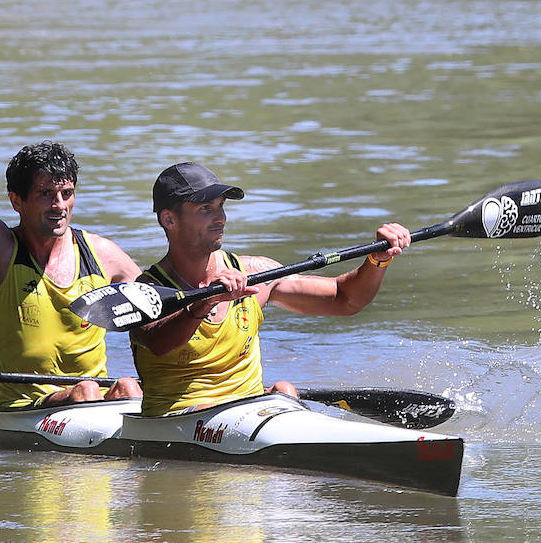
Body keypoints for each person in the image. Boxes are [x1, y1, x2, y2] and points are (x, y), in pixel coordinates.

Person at [0, 15, 143, 409]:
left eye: (66, 193)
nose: (59, 206)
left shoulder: (102, 255)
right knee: (85, 390)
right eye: (46, 194)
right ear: (17, 200)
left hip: (99, 407)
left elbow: (159, 312)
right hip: (26, 412)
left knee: (129, 386)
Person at [129, 161, 410, 417]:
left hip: (246, 412)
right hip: (178, 418)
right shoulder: (147, 291)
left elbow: (345, 299)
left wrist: (376, 261)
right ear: (169, 220)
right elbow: (158, 343)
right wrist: (205, 302)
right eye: (206, 209)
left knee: (285, 390)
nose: (221, 218)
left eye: (221, 206)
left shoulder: (254, 273)